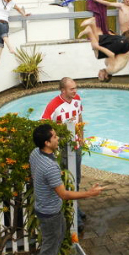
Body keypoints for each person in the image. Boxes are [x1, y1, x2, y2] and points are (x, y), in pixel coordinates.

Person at [30, 123, 104, 255]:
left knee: (59, 235)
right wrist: (90, 193)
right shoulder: (50, 166)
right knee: (50, 248)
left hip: (45, 208)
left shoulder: (35, 153)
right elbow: (64, 194)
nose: (58, 138)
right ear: (47, 142)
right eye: (54, 136)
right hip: (50, 213)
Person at [41, 77, 86, 230]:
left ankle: (76, 208)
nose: (75, 91)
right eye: (72, 89)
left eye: (75, 87)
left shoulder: (77, 99)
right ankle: (72, 216)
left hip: (76, 145)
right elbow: (44, 126)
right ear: (63, 90)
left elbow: (80, 117)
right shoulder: (53, 105)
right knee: (65, 181)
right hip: (61, 150)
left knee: (77, 179)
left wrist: (82, 138)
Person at [77, 16, 129, 82]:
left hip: (121, 41)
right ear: (106, 76)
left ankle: (92, 26)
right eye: (100, 76)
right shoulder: (110, 70)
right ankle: (90, 31)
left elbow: (108, 51)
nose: (98, 74)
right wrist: (97, 47)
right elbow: (111, 54)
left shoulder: (108, 65)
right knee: (98, 53)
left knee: (99, 43)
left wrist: (97, 46)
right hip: (123, 45)